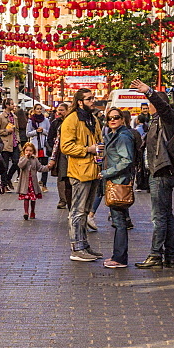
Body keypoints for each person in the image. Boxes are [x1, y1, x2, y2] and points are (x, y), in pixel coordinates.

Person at [130, 78, 174, 269]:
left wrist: (149, 91)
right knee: (166, 216)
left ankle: (155, 255)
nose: (148, 107)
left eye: (151, 104)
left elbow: (164, 108)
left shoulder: (166, 119)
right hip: (160, 172)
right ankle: (169, 256)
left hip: (161, 173)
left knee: (159, 217)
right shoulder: (155, 121)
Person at [60, 88, 103, 262]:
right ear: (79, 101)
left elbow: (99, 140)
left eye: (93, 98)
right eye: (89, 99)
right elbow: (66, 146)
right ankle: (76, 248)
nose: (92, 101)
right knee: (77, 211)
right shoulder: (71, 120)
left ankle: (84, 245)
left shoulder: (92, 119)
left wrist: (100, 149)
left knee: (85, 210)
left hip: (93, 170)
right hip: (79, 171)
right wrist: (87, 150)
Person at [101, 107, 136, 268]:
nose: (112, 120)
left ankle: (120, 258)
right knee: (118, 221)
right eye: (109, 118)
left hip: (119, 182)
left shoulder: (123, 136)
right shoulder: (115, 135)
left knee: (119, 221)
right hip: (115, 180)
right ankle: (118, 256)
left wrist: (107, 172)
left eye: (116, 117)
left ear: (122, 119)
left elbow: (126, 160)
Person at [17, 141, 49, 220]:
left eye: (30, 151)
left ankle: (32, 211)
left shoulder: (35, 160)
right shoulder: (22, 158)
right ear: (24, 151)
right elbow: (20, 165)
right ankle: (26, 212)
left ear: (33, 152)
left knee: (33, 198)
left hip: (33, 182)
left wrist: (48, 167)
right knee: (26, 197)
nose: (28, 152)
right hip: (25, 182)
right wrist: (26, 158)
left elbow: (40, 168)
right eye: (27, 150)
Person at [47, 103, 70, 209]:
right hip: (60, 153)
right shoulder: (55, 123)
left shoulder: (71, 122)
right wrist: (54, 152)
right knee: (61, 177)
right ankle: (63, 200)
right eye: (58, 110)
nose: (59, 112)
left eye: (61, 110)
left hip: (71, 153)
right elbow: (50, 139)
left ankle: (70, 198)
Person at [0, 99, 19, 189]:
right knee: (5, 165)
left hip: (14, 142)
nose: (13, 105)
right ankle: (4, 184)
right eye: (12, 104)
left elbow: (17, 130)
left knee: (17, 162)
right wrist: (6, 131)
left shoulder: (14, 117)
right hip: (5, 143)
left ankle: (8, 178)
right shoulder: (0, 117)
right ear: (7, 105)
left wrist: (18, 139)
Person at [26, 103, 51, 192]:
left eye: (40, 109)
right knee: (33, 166)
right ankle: (34, 184)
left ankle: (44, 184)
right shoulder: (30, 121)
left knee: (44, 166)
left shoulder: (46, 120)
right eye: (37, 109)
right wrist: (36, 131)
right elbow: (28, 133)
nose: (39, 110)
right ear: (34, 110)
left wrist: (43, 131)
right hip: (35, 146)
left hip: (43, 146)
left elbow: (49, 132)